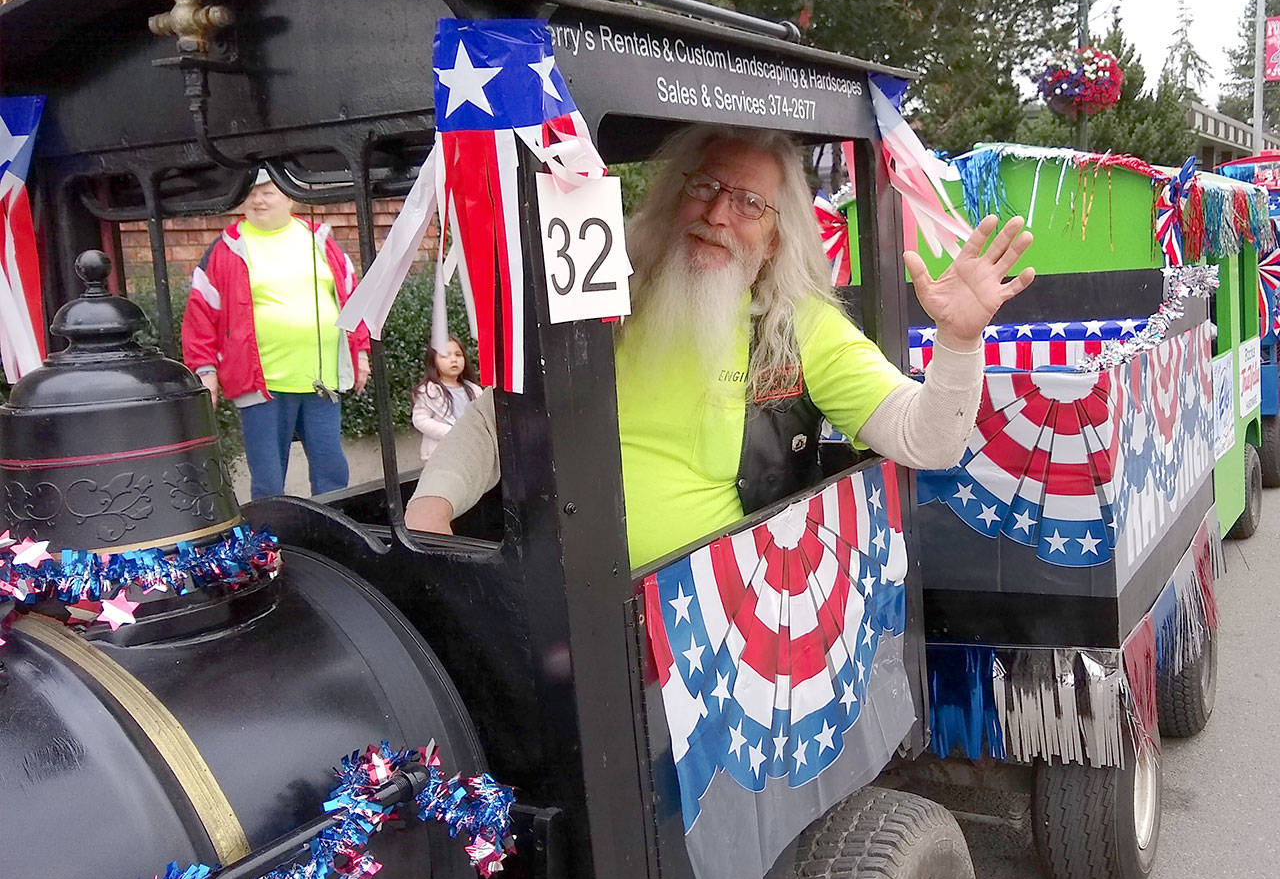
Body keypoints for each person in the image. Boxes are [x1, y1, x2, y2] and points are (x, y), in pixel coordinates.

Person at [403, 125, 1034, 568]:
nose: (717, 214)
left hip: (711, 638)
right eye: (703, 187)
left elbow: (929, 440)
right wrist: (429, 510)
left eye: (749, 203)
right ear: (674, 196)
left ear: (777, 239)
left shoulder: (801, 326)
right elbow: (499, 417)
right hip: (555, 599)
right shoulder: (603, 290)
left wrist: (958, 340)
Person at [182, 170, 371, 500]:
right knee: (269, 482)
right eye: (251, 192)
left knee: (332, 473)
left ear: (290, 196)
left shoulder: (322, 241)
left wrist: (361, 353)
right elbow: (200, 315)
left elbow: (351, 300)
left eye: (267, 192)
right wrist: (206, 371)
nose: (257, 199)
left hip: (323, 382)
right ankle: (271, 549)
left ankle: (331, 541)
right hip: (260, 387)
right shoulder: (225, 250)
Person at [412, 337, 481, 461]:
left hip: (472, 452)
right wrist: (450, 432)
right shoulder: (429, 391)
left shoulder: (474, 390)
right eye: (445, 355)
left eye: (458, 355)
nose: (454, 359)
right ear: (433, 361)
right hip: (441, 454)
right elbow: (420, 420)